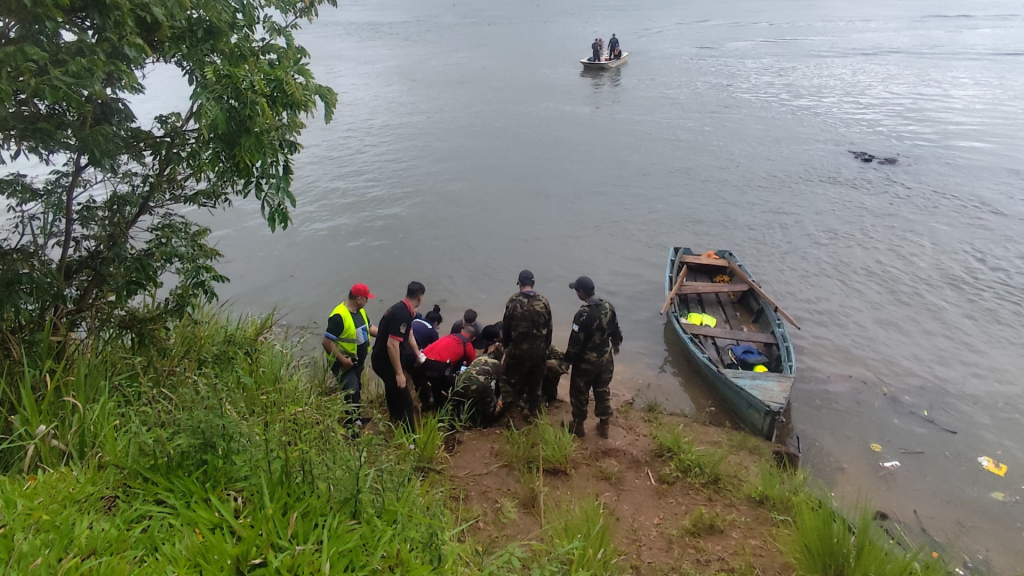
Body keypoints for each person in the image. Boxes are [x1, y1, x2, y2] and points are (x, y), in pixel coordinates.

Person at [564, 276, 622, 439]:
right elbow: (615, 329)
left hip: (585, 363)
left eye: (576, 290)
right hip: (605, 359)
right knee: (602, 390)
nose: (576, 293)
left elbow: (575, 342)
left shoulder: (582, 314)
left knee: (579, 392)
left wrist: (567, 360)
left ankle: (578, 426)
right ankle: (604, 426)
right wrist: (616, 344)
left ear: (581, 292)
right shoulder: (608, 307)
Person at [370, 281, 426, 431]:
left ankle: (394, 421)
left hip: (380, 359)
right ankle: (411, 439)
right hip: (385, 362)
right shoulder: (402, 314)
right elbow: (392, 344)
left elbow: (409, 334)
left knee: (392, 390)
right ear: (420, 298)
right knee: (406, 400)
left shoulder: (401, 309)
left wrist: (418, 354)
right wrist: (399, 373)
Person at [500, 270, 553, 422]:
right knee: (535, 384)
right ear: (533, 283)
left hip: (518, 351)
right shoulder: (544, 302)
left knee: (509, 380)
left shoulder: (513, 301)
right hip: (539, 351)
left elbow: (506, 328)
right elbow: (549, 329)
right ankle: (533, 412)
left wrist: (507, 348)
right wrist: (545, 348)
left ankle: (513, 413)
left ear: (520, 284)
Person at [322, 284, 379, 417]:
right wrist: (343, 360)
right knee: (352, 391)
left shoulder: (360, 312)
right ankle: (351, 425)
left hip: (357, 362)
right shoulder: (339, 317)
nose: (367, 301)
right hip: (343, 364)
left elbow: (369, 328)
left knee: (357, 389)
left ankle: (356, 417)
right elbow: (327, 342)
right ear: (359, 299)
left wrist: (386, 335)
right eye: (366, 298)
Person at [419, 324, 478, 408]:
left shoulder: (448, 336)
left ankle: (433, 405)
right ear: (473, 338)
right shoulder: (468, 346)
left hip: (423, 362)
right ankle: (455, 412)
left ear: (461, 331)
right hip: (438, 368)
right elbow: (472, 366)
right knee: (455, 389)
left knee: (435, 386)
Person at [451, 343, 504, 428]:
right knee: (488, 408)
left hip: (460, 384)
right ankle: (485, 424)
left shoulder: (479, 357)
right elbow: (499, 387)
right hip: (479, 388)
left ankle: (465, 420)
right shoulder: (497, 364)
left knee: (468, 403)